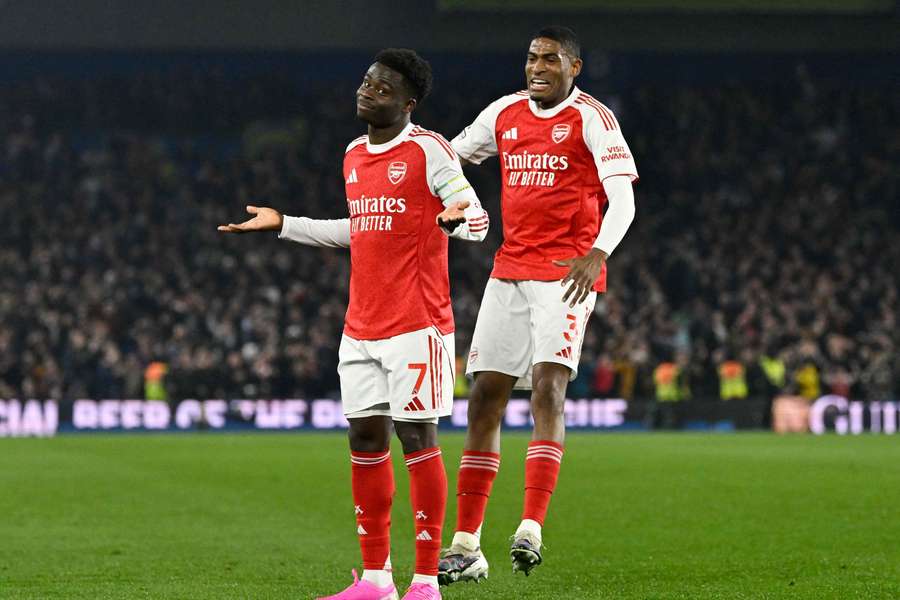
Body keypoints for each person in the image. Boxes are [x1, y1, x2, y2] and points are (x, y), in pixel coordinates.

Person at [219, 48, 488, 600]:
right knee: (365, 437)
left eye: (383, 88)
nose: (368, 91)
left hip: (417, 322)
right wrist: (285, 224)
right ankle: (374, 580)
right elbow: (359, 231)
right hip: (360, 325)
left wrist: (455, 220)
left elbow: (477, 218)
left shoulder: (428, 150)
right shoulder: (352, 155)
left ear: (408, 103)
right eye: (367, 82)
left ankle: (426, 583)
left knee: (418, 438)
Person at [438, 26, 638, 584]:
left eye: (550, 59)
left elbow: (622, 194)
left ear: (575, 68)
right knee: (484, 399)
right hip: (509, 271)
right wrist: (450, 201)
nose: (537, 67)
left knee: (548, 388)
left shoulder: (592, 119)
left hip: (566, 274)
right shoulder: (503, 113)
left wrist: (598, 253)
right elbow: (449, 159)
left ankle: (531, 527)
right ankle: (466, 543)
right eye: (531, 58)